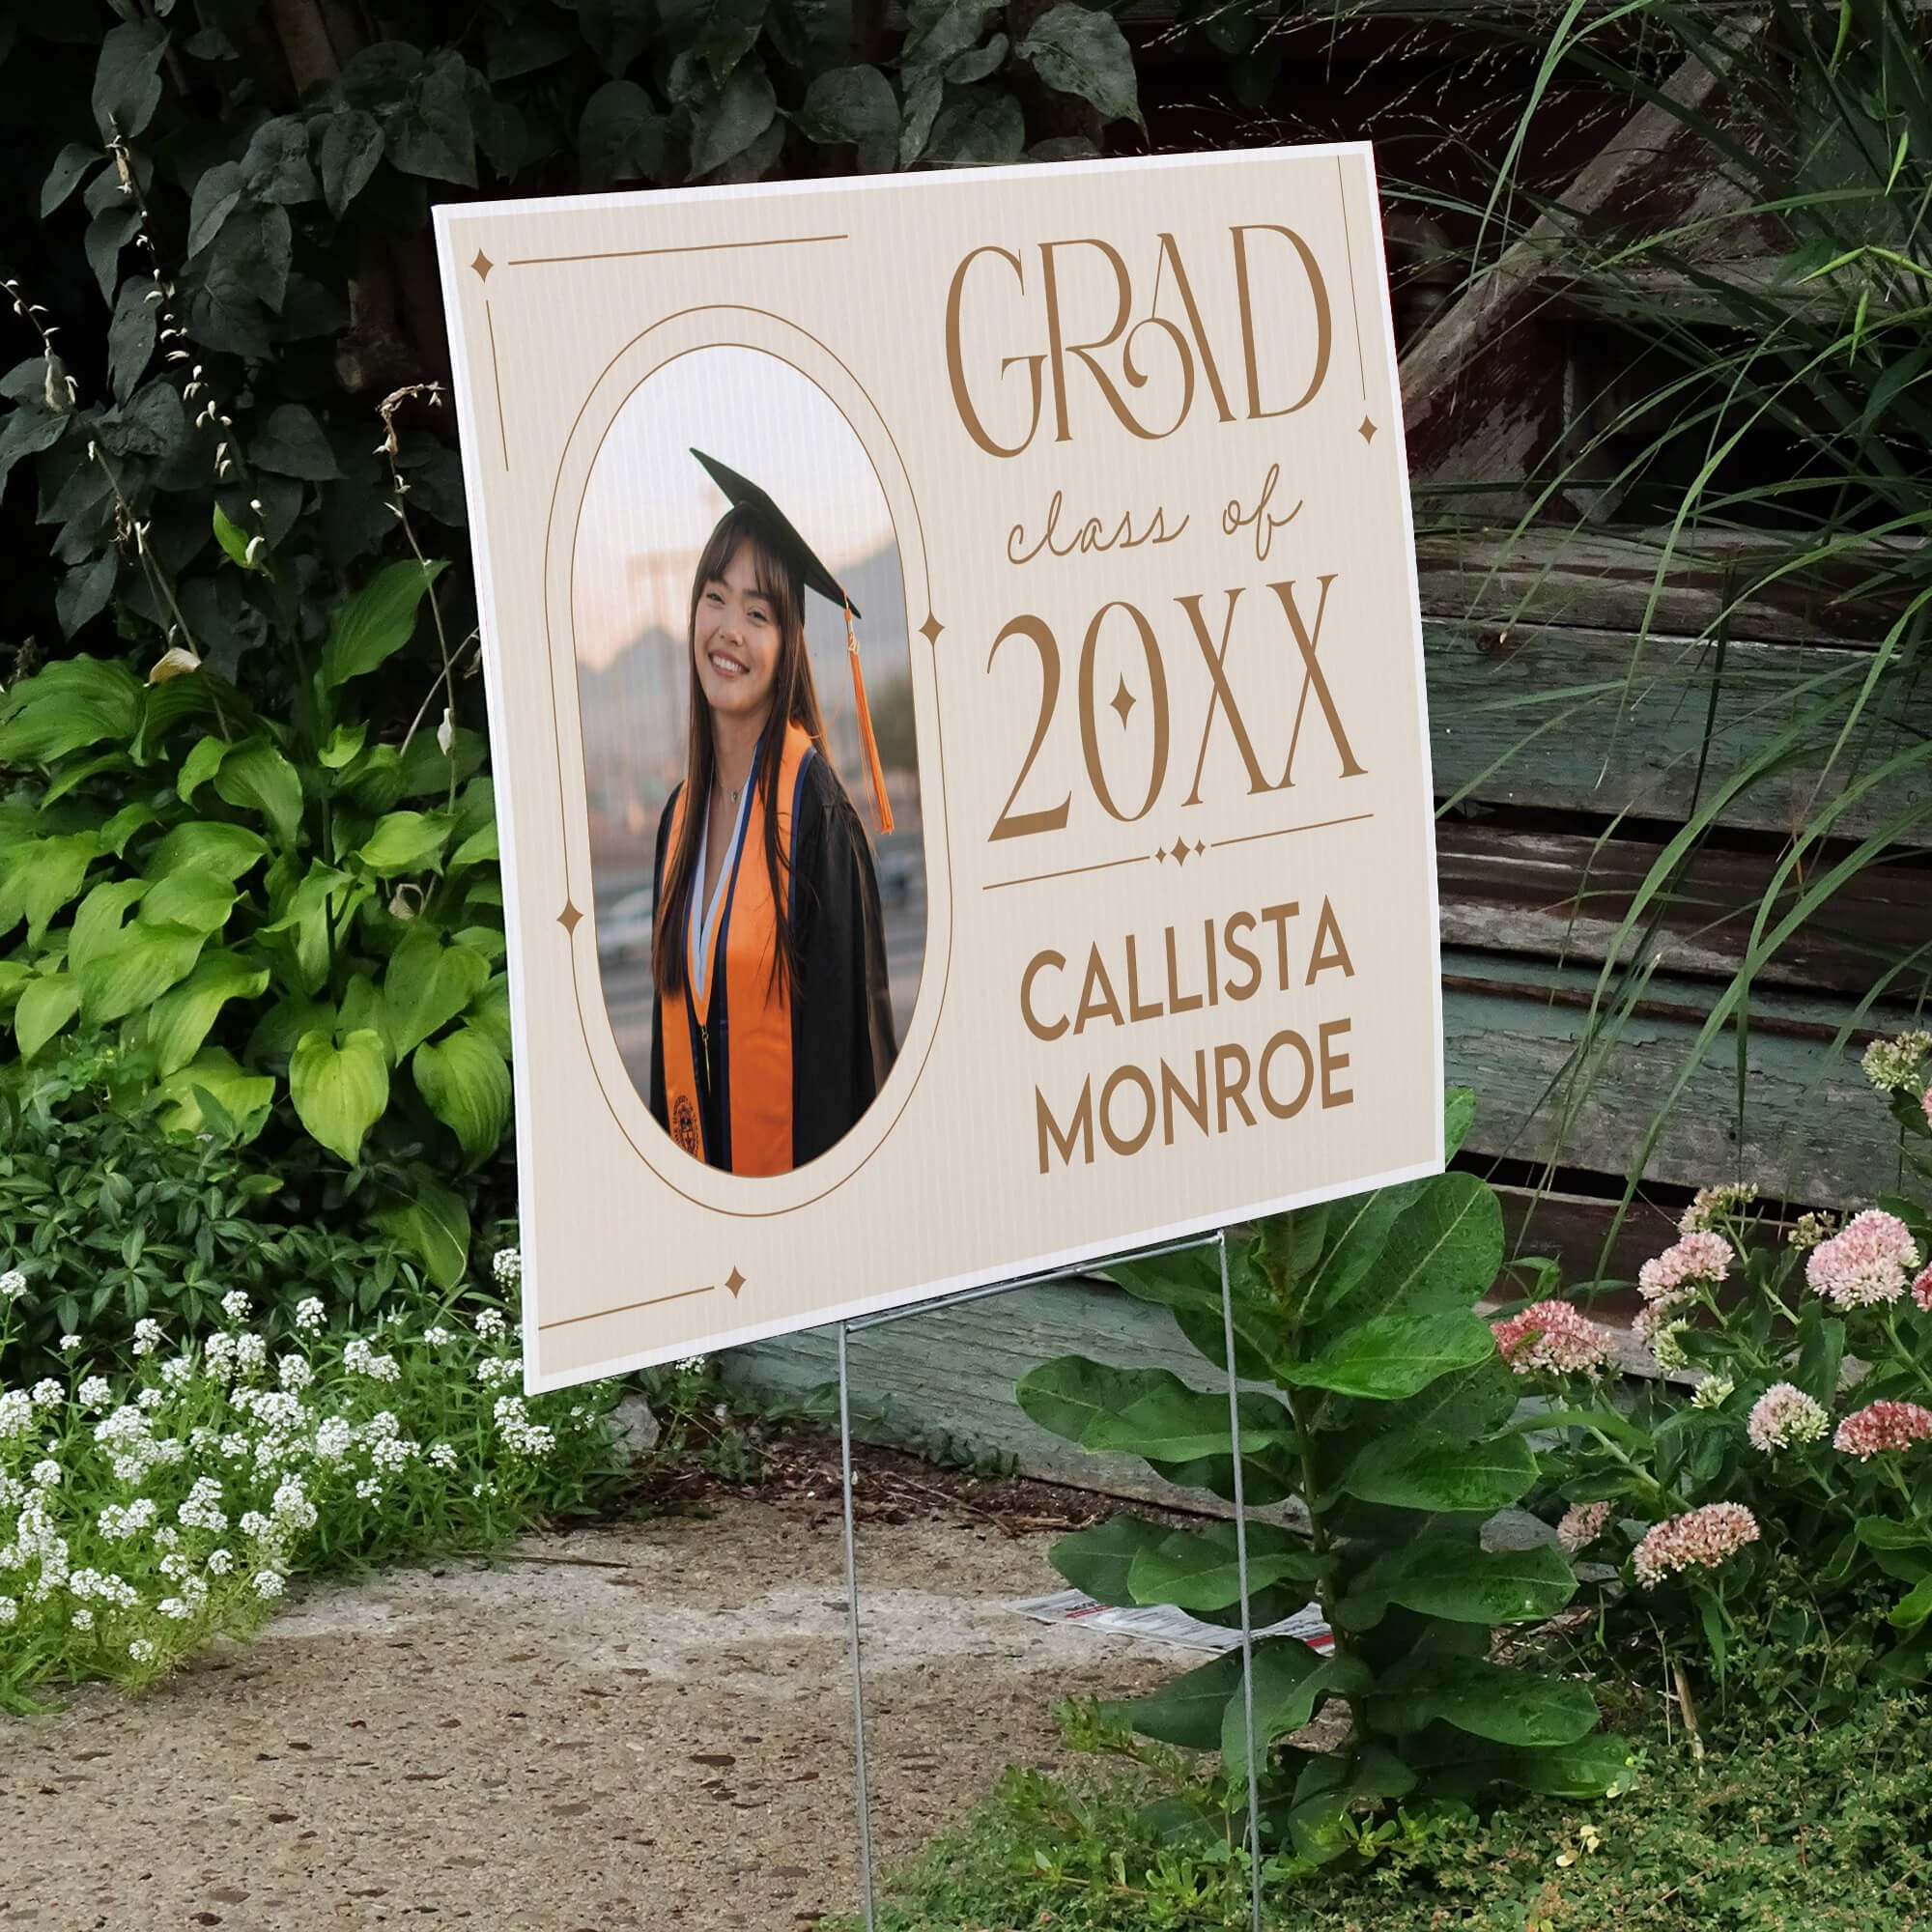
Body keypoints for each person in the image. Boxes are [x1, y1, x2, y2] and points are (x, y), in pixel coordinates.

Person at [646, 450, 898, 1176]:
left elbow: (858, 1057)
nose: (728, 630)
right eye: (714, 598)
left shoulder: (816, 814)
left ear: (789, 646)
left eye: (758, 613)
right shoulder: (677, 821)